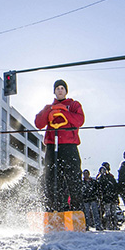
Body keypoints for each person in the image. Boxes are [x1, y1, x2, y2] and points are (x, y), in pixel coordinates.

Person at [34, 79, 85, 212]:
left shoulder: (73, 105)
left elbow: (79, 120)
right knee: (51, 179)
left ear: (66, 91)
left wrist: (64, 112)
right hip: (52, 147)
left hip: (69, 146)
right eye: (57, 88)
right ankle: (53, 209)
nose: (60, 90)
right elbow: (39, 123)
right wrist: (50, 111)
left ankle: (76, 210)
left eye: (62, 88)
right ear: (54, 91)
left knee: (73, 179)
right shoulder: (48, 107)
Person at [96, 165, 119, 230]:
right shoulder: (100, 179)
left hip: (112, 198)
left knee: (113, 212)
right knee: (107, 213)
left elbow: (115, 187)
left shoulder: (111, 178)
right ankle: (108, 225)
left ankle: (114, 225)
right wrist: (101, 198)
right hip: (106, 199)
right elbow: (99, 190)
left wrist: (116, 197)